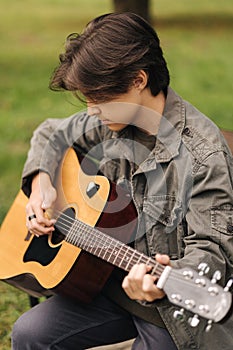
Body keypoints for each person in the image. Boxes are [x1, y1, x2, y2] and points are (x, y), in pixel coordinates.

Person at [12, 12, 233, 350]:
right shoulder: (114, 117)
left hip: (172, 309)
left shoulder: (203, 155)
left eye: (97, 97)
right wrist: (43, 184)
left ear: (138, 80)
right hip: (107, 283)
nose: (90, 110)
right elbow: (51, 133)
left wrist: (161, 283)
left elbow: (212, 254)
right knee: (29, 333)